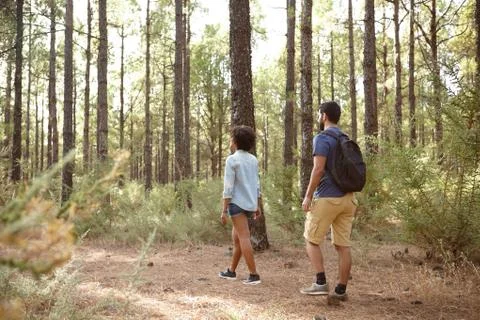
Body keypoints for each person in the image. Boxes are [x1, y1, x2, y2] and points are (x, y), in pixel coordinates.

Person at [300, 101, 358, 301]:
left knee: (310, 240)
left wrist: (308, 196)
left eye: (319, 114)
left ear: (324, 116)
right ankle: (341, 290)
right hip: (349, 199)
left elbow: (318, 169)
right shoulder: (345, 138)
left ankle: (320, 282)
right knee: (343, 245)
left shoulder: (322, 138)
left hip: (327, 197)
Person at [218, 125, 262, 285]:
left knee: (243, 237)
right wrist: (257, 205)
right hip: (250, 204)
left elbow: (228, 188)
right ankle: (231, 271)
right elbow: (257, 184)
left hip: (236, 205)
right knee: (237, 240)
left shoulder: (232, 159)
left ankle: (254, 274)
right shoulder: (253, 159)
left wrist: (224, 210)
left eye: (231, 138)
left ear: (235, 141)